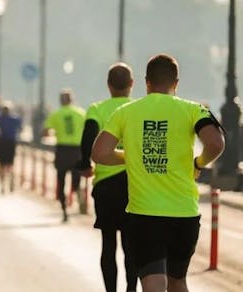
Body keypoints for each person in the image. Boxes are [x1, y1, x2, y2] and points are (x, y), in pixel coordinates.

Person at [92, 54, 225, 292]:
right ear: (176, 83)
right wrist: (198, 163)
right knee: (177, 281)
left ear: (147, 82)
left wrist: (130, 156)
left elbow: (100, 153)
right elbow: (216, 143)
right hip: (184, 214)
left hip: (144, 215)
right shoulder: (194, 109)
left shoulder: (125, 111)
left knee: (153, 284)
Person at [77, 63, 138, 292]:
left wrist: (86, 165)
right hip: (134, 184)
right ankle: (131, 289)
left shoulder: (97, 109)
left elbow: (88, 138)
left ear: (109, 85)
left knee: (108, 243)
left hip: (105, 186)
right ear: (132, 84)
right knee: (131, 244)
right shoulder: (138, 108)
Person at [45, 89, 87, 222]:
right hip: (77, 150)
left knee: (61, 180)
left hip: (62, 150)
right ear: (72, 100)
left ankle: (64, 210)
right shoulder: (81, 113)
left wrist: (55, 132)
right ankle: (78, 192)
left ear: (60, 101)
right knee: (76, 178)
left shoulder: (56, 114)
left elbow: (46, 131)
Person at [0, 102, 22, 194]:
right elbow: (20, 129)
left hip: (2, 143)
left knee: (3, 165)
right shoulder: (15, 119)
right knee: (9, 165)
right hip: (9, 143)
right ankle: (9, 183)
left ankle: (5, 184)